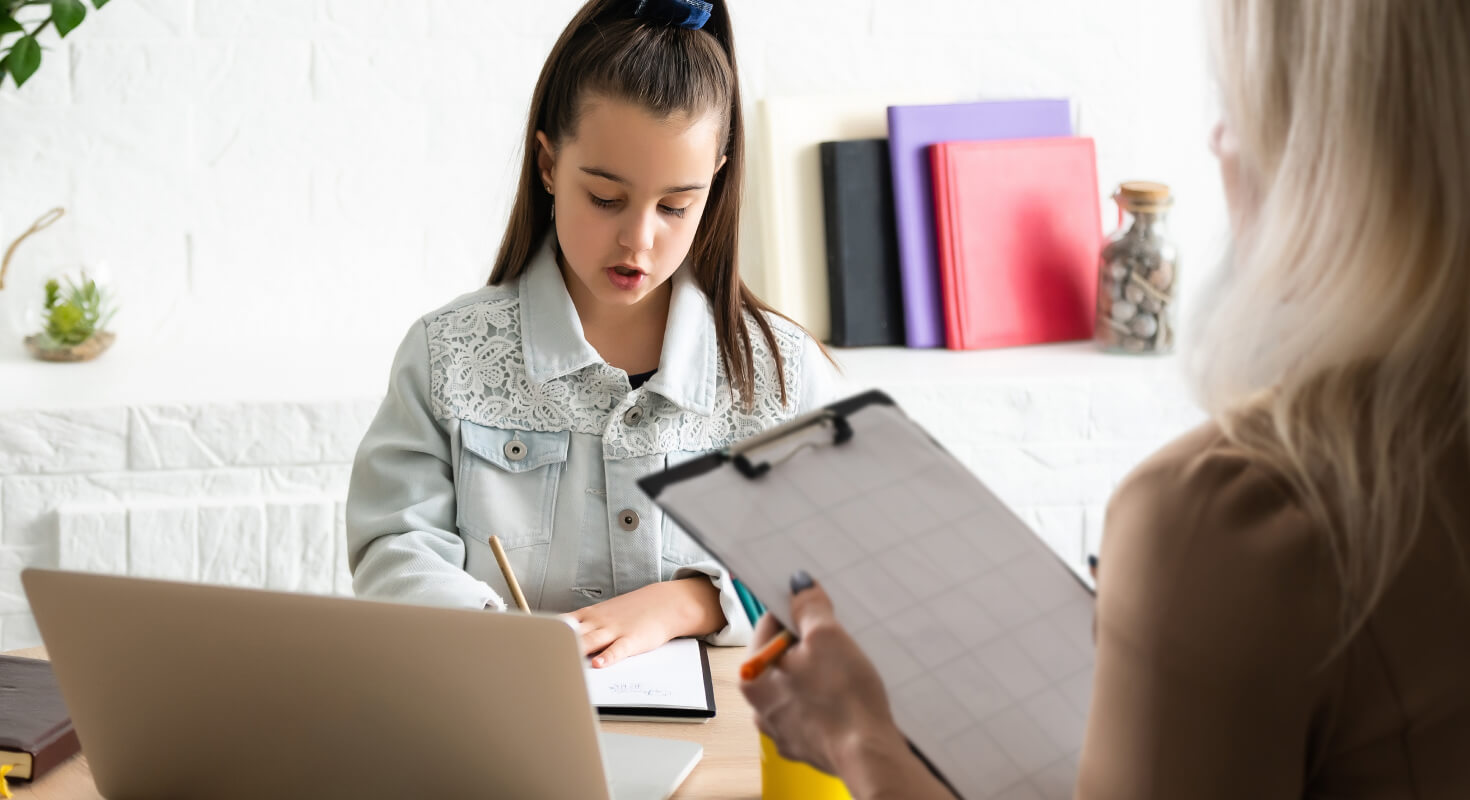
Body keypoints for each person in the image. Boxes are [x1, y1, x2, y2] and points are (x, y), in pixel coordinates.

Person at [741, 0, 1470, 796]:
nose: (1217, 143)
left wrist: (858, 740)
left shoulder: (1234, 517)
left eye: (1239, 107)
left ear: (1334, 152)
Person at [344, 0, 837, 669]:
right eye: (606, 198)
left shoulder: (785, 373)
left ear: (715, 180)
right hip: (503, 728)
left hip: (726, 745)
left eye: (675, 205)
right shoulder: (446, 356)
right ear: (549, 165)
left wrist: (687, 601)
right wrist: (502, 642)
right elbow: (392, 549)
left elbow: (842, 567)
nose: (639, 239)